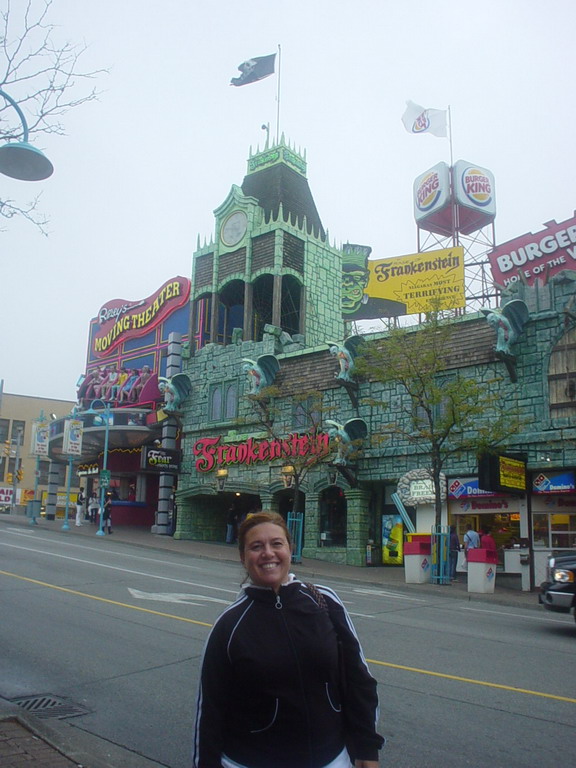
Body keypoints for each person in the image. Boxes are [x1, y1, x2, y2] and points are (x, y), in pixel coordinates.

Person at [193, 511, 384, 768]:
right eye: (256, 546)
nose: (268, 553)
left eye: (276, 544)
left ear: (290, 550)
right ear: (243, 557)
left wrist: (367, 749)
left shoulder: (325, 602)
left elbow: (359, 680)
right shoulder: (229, 625)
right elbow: (210, 711)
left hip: (332, 759)